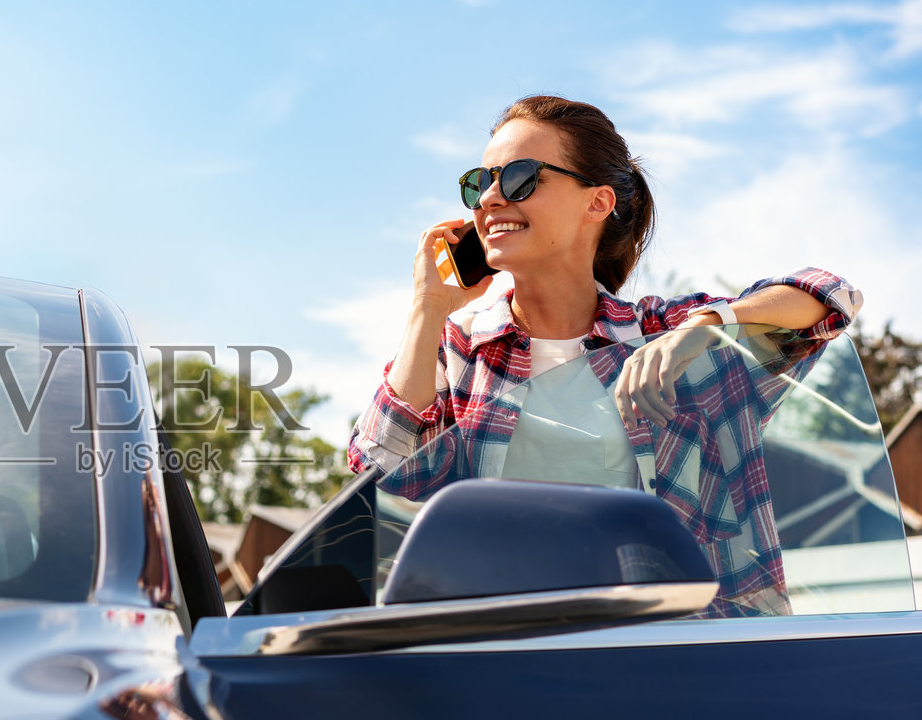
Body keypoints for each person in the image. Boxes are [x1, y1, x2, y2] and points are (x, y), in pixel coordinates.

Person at [346, 95, 862, 617]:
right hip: (512, 661)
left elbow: (832, 296)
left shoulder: (664, 336)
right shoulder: (461, 349)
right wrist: (427, 309)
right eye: (480, 182)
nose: (490, 199)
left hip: (683, 661)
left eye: (521, 177)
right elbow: (380, 471)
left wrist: (706, 327)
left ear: (597, 203)